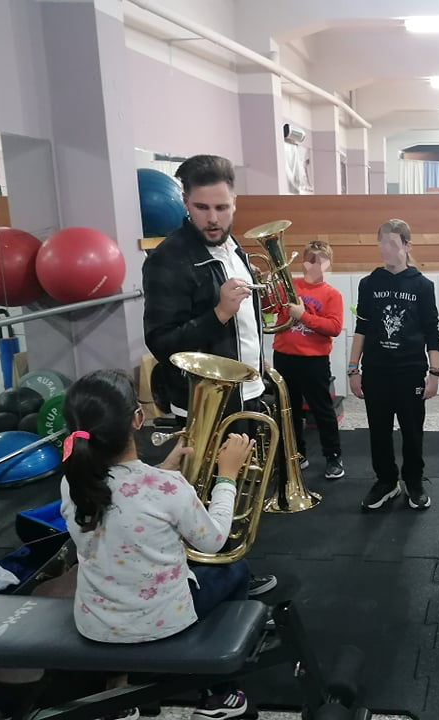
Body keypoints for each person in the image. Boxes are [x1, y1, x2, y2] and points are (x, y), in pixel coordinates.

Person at [59, 369, 257, 719]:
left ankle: (116, 696)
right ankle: (220, 693)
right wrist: (227, 475)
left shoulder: (73, 481)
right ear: (138, 418)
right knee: (235, 569)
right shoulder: (167, 488)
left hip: (96, 622)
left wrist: (163, 468)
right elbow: (214, 541)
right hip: (163, 620)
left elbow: (123, 499)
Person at [141, 153, 276, 597]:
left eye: (221, 207)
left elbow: (245, 325)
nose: (213, 218)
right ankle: (209, 580)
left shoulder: (237, 250)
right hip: (206, 402)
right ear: (185, 203)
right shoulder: (168, 259)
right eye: (202, 207)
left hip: (246, 389)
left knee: (237, 488)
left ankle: (230, 568)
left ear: (235, 203)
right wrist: (218, 312)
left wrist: (261, 363)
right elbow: (162, 342)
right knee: (202, 492)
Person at [349, 219, 439, 512]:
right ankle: (386, 481)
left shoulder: (422, 286)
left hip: (410, 370)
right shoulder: (369, 284)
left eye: (392, 243)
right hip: (376, 370)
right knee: (379, 431)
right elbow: (361, 328)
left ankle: (414, 482)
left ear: (407, 245)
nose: (385, 249)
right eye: (382, 243)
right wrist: (353, 368)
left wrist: (434, 372)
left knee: (412, 431)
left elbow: (432, 331)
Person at [271, 240, 345, 480]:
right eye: (311, 260)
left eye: (321, 260)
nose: (315, 265)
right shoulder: (288, 285)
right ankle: (297, 455)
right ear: (304, 262)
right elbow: (269, 308)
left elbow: (334, 327)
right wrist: (263, 286)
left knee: (322, 410)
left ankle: (333, 456)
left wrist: (302, 315)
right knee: (288, 411)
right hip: (284, 357)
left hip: (314, 361)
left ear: (328, 264)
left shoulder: (332, 294)